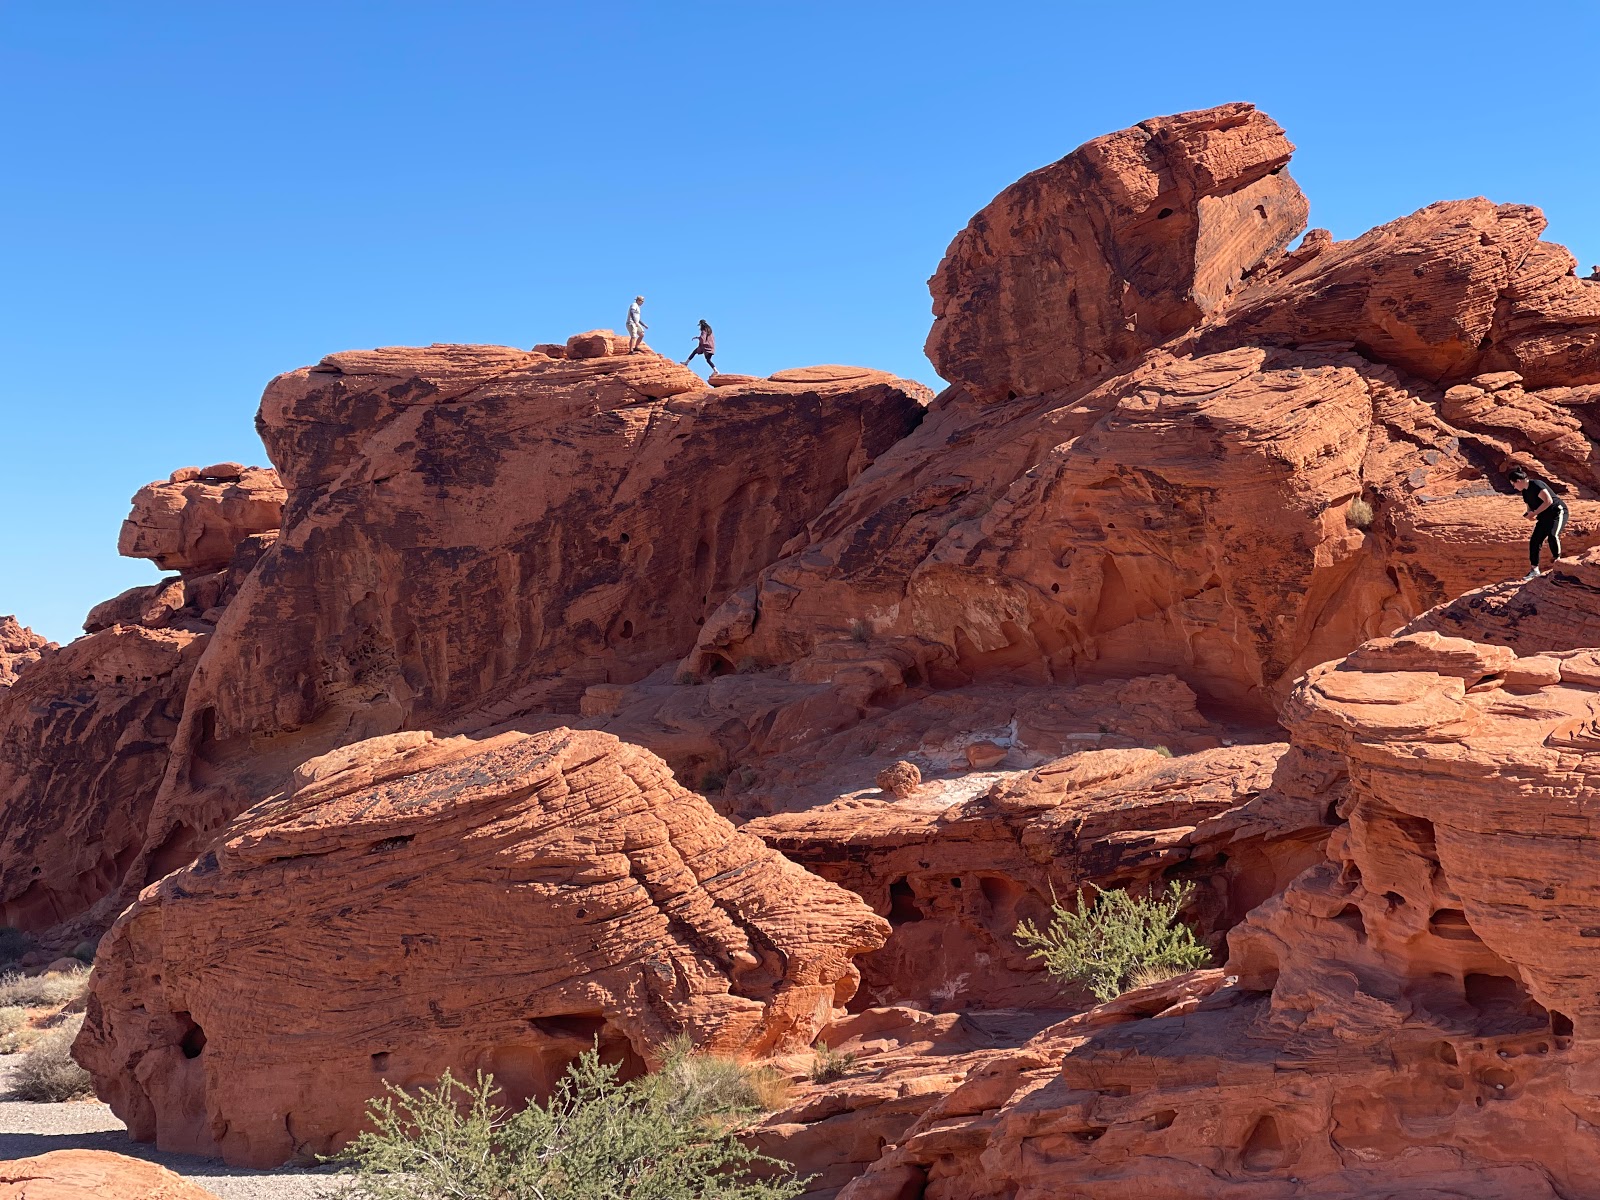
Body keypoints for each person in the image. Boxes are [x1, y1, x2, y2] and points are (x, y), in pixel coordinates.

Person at [1508, 465, 1569, 579]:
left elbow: (1548, 501)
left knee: (1552, 535)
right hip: (1543, 517)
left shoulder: (1536, 484)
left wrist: (1534, 513)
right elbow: (1529, 507)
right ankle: (1534, 569)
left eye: (1514, 484)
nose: (1514, 487)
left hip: (1557, 512)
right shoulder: (1525, 492)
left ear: (1519, 481)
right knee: (1535, 541)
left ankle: (1558, 562)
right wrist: (1529, 514)